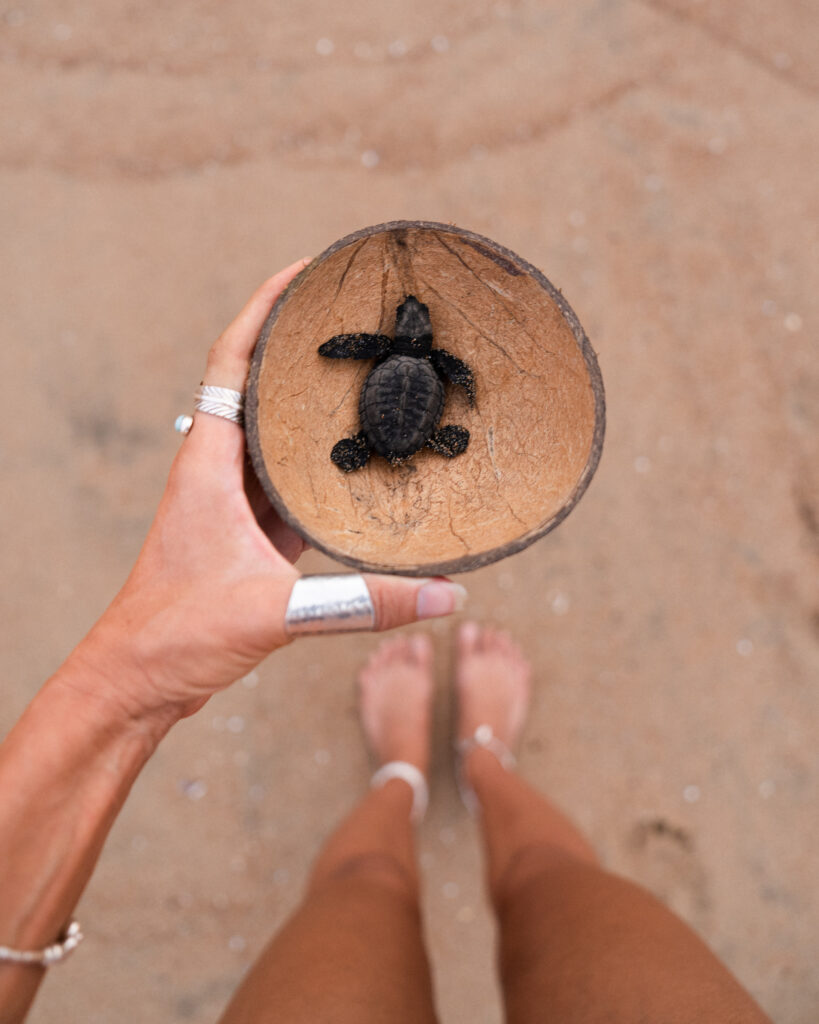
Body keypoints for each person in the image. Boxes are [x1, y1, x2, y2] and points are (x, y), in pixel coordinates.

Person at [0, 262, 771, 1024]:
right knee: (554, 877)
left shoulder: (384, 353)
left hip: (378, 424)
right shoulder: (435, 363)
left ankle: (407, 777)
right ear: (424, 338)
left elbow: (347, 350)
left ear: (398, 338)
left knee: (365, 882)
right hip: (414, 418)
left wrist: (126, 687)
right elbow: (453, 373)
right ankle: (480, 762)